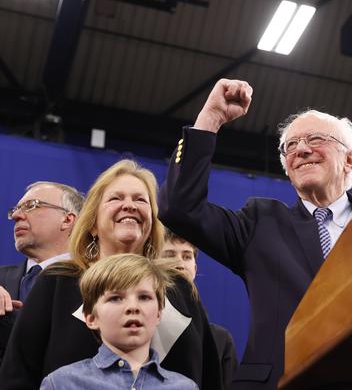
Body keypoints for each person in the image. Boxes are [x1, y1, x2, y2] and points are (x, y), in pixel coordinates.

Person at [158, 78, 352, 389]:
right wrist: (211, 117)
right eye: (290, 145)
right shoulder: (260, 222)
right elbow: (179, 208)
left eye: (316, 139)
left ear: (350, 159)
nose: (302, 149)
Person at [0, 160, 222, 390]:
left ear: (152, 223)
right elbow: (18, 373)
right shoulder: (58, 282)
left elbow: (210, 377)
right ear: (93, 224)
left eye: (140, 199)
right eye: (116, 198)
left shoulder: (180, 289)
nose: (129, 206)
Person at [40, 254, 198, 390]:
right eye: (115, 298)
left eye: (144, 297)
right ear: (91, 318)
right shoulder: (62, 384)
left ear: (158, 314)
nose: (133, 307)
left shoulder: (185, 387)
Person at [0, 182, 83, 363]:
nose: (15, 215)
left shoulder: (95, 284)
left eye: (31, 205)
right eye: (16, 209)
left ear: (67, 220)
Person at [162, 230, 238, 387]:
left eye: (187, 256)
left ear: (195, 269)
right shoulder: (141, 330)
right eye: (169, 255)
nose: (179, 264)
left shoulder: (221, 340)